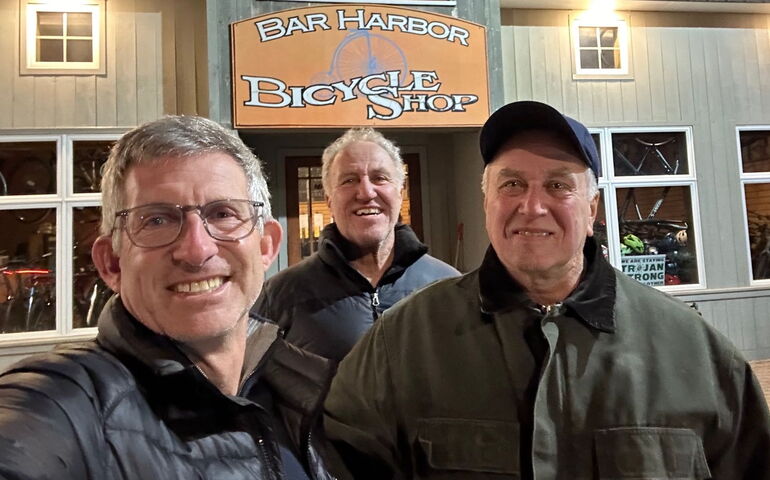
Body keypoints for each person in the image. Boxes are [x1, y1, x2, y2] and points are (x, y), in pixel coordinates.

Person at [323, 101, 770, 479]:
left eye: (558, 185)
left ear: (592, 207)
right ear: (487, 202)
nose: (532, 206)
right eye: (512, 183)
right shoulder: (400, 345)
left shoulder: (698, 355)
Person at [0, 116, 343, 480]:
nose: (196, 250)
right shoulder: (67, 403)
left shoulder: (319, 390)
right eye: (157, 220)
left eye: (223, 213)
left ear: (265, 245)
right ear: (112, 263)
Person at [253, 127, 458, 362]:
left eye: (380, 178)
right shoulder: (280, 294)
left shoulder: (447, 285)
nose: (366, 192)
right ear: (329, 200)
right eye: (349, 180)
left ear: (399, 193)